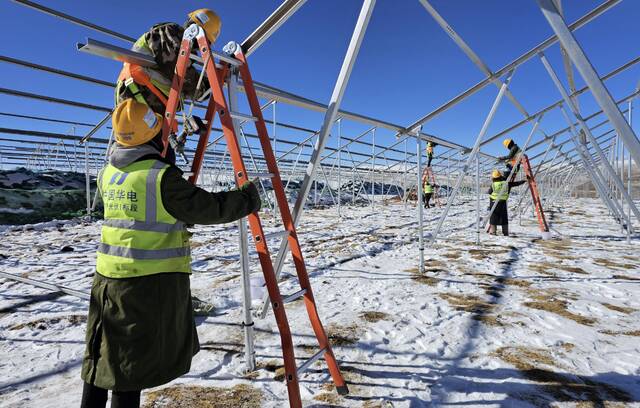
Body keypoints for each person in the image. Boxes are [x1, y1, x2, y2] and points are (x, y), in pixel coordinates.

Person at [80, 99, 261, 408]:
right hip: (145, 284)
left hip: (107, 279)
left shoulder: (108, 173)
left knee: (101, 354)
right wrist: (248, 199)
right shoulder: (160, 177)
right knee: (129, 367)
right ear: (151, 136)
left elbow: (149, 211)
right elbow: (208, 208)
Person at [115, 9, 222, 115]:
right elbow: (179, 71)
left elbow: (183, 73)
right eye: (206, 41)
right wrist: (204, 87)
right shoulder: (168, 32)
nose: (201, 47)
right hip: (137, 92)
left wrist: (206, 83)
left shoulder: (181, 46)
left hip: (149, 97)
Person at [487, 169, 525, 236]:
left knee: (493, 217)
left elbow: (489, 192)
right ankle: (505, 232)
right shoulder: (506, 183)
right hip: (503, 202)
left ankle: (493, 232)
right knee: (503, 217)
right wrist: (523, 181)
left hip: (494, 202)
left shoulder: (493, 184)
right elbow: (515, 184)